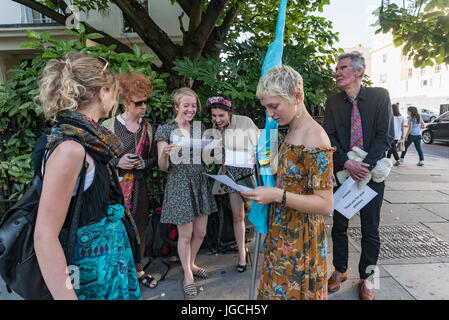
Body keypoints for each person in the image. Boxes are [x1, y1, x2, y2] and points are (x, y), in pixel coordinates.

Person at [33, 52, 141, 300]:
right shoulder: (71, 148)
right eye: (113, 91)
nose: (114, 99)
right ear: (103, 92)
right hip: (90, 280)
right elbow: (45, 236)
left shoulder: (88, 140)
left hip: (107, 273)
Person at [241, 65, 335, 300]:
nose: (270, 114)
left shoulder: (315, 137)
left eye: (274, 106)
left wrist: (277, 195)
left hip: (300, 241)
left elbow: (325, 205)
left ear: (297, 97)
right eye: (266, 107)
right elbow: (291, 179)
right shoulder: (292, 128)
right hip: (282, 233)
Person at [323, 51, 394, 300]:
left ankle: (367, 278)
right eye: (337, 68)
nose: (337, 72)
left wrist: (363, 165)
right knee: (339, 226)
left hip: (372, 174)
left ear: (358, 71)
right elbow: (328, 137)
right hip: (343, 175)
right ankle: (340, 270)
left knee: (370, 228)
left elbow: (384, 135)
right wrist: (346, 163)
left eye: (342, 68)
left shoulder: (379, 96)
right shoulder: (333, 102)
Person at [155, 87, 217, 299]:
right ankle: (188, 275)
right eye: (186, 105)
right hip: (179, 183)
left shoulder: (200, 129)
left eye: (193, 105)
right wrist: (165, 154)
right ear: (176, 106)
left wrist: (213, 146)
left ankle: (190, 263)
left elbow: (207, 159)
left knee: (200, 232)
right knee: (186, 234)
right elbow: (162, 167)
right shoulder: (165, 130)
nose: (191, 109)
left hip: (199, 181)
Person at [102, 71, 158, 289]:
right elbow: (97, 158)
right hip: (114, 188)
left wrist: (144, 163)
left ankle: (138, 270)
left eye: (146, 101)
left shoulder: (148, 128)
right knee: (115, 229)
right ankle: (117, 272)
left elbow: (153, 158)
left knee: (140, 228)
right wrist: (117, 162)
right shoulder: (109, 126)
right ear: (126, 102)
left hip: (140, 188)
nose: (143, 107)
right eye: (138, 103)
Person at [207, 94, 260, 273]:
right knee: (238, 215)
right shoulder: (215, 128)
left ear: (230, 112)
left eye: (221, 115)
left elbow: (261, 145)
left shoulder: (245, 122)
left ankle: (270, 249)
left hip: (250, 172)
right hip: (230, 173)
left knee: (262, 211)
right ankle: (242, 254)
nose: (217, 119)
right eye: (214, 116)